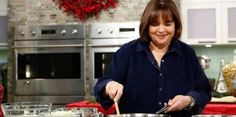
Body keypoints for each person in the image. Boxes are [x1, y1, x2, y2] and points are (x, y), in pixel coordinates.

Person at [93, 0, 212, 116]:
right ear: (147, 26)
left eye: (167, 24)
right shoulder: (127, 52)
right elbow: (101, 84)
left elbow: (204, 91)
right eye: (154, 24)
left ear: (176, 25)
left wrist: (189, 100)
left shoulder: (188, 53)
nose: (161, 30)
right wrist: (109, 86)